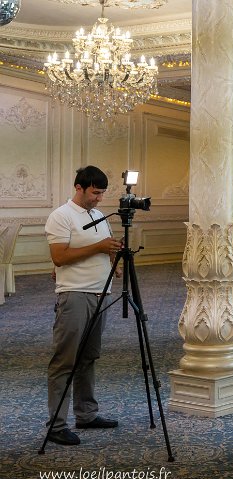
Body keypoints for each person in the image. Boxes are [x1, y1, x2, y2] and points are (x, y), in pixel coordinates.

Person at [44, 165, 123, 446]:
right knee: (65, 360)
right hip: (74, 295)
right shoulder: (61, 216)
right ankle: (56, 425)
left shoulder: (99, 215)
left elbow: (108, 245)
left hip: (99, 295)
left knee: (89, 357)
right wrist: (100, 248)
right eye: (95, 193)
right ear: (79, 188)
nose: (99, 198)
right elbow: (59, 257)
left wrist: (114, 263)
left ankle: (86, 414)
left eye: (102, 193)